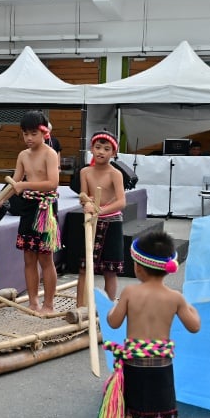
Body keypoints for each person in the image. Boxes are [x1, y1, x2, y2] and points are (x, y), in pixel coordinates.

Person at [98, 230, 201, 418]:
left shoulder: (130, 293)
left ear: (139, 269)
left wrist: (115, 305)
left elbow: (113, 322)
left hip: (134, 366)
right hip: (161, 368)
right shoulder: (175, 297)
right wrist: (192, 309)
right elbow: (194, 326)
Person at [10, 110, 60, 313]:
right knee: (28, 258)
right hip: (28, 208)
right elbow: (15, 183)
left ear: (43, 133)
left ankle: (48, 304)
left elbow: (53, 183)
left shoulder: (50, 154)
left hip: (45, 209)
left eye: (33, 134)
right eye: (25, 134)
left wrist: (24, 186)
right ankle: (33, 302)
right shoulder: (23, 155)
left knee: (45, 259)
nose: (29, 138)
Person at [76, 130, 126, 307]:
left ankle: (109, 307)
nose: (101, 152)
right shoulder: (85, 172)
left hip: (111, 223)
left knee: (109, 270)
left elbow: (121, 202)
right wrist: (87, 202)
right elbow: (83, 194)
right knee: (84, 268)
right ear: (92, 149)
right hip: (91, 222)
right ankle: (80, 308)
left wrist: (100, 211)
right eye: (98, 147)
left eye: (106, 149)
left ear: (113, 153)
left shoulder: (115, 174)